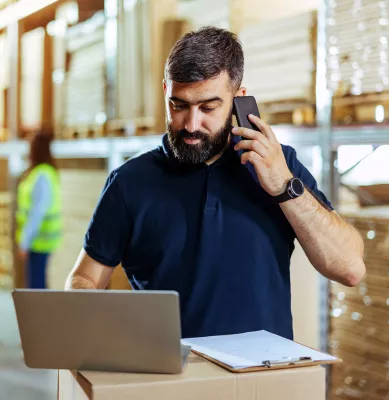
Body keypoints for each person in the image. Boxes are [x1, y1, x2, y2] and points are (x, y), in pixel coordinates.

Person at [65, 27, 365, 339]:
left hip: (260, 379)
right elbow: (85, 278)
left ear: (239, 100)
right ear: (165, 90)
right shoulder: (130, 182)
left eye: (208, 107)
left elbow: (349, 269)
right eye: (179, 105)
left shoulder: (280, 166)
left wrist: (282, 185)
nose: (191, 125)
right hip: (168, 380)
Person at [16, 132, 62, 289]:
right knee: (38, 284)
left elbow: (37, 212)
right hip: (42, 239)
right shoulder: (44, 172)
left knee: (36, 286)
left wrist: (25, 241)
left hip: (39, 240)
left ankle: (39, 313)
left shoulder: (41, 175)